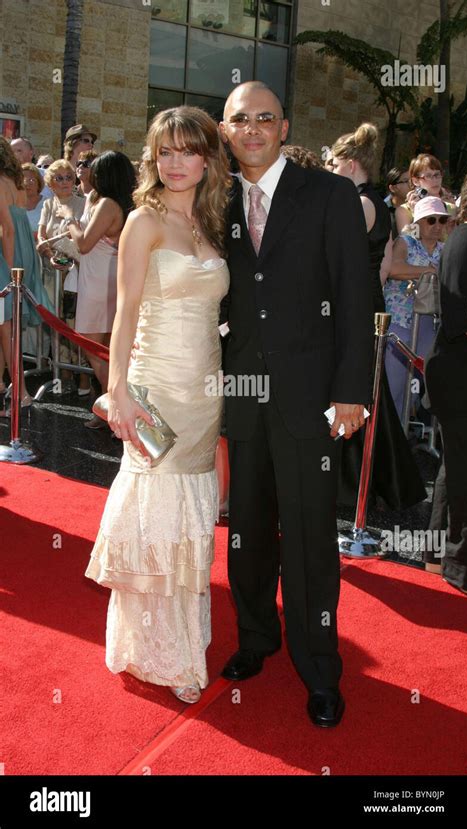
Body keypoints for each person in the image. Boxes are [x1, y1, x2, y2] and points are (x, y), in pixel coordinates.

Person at [218, 81, 374, 728]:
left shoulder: (331, 195)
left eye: (263, 117)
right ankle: (256, 639)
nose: (251, 128)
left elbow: (355, 296)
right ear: (224, 130)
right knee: (247, 532)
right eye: (238, 119)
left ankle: (319, 668)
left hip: (312, 399)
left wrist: (351, 391)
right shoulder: (213, 198)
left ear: (283, 127)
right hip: (241, 398)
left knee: (310, 541)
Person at [84, 106, 231, 703]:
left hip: (205, 389)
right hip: (153, 387)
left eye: (187, 151)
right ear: (153, 157)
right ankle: (160, 653)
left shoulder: (214, 224)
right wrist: (117, 389)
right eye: (164, 152)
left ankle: (182, 643)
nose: (175, 163)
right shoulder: (143, 223)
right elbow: (124, 314)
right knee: (156, 517)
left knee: (191, 513)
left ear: (206, 158)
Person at [331, 124, 426, 511]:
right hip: (370, 304)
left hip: (354, 307)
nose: (330, 168)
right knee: (372, 396)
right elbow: (384, 266)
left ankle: (355, 488)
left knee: (356, 392)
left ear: (351, 164)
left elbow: (340, 261)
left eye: (334, 162)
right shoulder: (379, 206)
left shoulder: (360, 203)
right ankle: (385, 483)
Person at [425, 169, 467, 595]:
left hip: (461, 369)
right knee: (465, 468)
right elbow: (461, 316)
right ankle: (461, 568)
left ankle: (437, 555)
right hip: (458, 373)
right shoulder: (465, 238)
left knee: (454, 465)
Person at [63, 151, 136, 424]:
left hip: (99, 284)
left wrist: (70, 220)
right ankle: (111, 409)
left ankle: (115, 411)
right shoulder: (120, 203)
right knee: (108, 352)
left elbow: (83, 243)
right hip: (106, 280)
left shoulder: (108, 204)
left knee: (95, 352)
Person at [0, 137, 52, 406]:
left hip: (8, 261)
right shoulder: (15, 182)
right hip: (22, 256)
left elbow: (7, 230)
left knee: (6, 327)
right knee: (4, 326)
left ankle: (21, 393)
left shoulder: (0, 183)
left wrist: (9, 273)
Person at [385, 196, 447, 419]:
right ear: (418, 222)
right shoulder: (405, 242)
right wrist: (429, 272)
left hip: (429, 322)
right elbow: (393, 268)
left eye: (442, 220)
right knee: (394, 384)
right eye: (431, 220)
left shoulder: (446, 249)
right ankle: (389, 442)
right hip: (401, 322)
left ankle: (409, 440)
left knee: (419, 387)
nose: (437, 225)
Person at [37, 159, 89, 393]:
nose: (66, 181)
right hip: (52, 273)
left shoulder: (83, 203)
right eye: (59, 178)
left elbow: (84, 239)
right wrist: (49, 256)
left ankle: (84, 376)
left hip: (77, 273)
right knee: (56, 321)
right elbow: (41, 235)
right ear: (51, 182)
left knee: (75, 323)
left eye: (69, 177)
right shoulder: (48, 204)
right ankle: (63, 376)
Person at [395, 154, 455, 236]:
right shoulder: (404, 211)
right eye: (428, 176)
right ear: (415, 181)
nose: (435, 180)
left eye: (437, 175)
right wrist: (415, 214)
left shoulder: (450, 207)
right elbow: (408, 243)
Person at [385, 167, 410, 240]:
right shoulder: (382, 210)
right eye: (406, 181)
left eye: (412, 180)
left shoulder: (417, 208)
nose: (411, 184)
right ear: (393, 188)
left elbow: (412, 240)